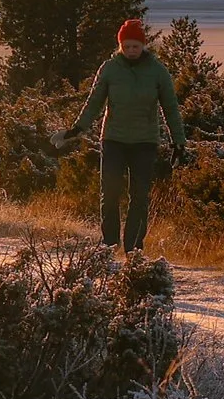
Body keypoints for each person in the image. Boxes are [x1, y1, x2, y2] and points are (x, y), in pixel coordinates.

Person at [53, 18, 187, 256]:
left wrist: (178, 142)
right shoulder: (110, 68)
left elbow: (171, 108)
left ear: (143, 45)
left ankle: (134, 250)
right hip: (113, 139)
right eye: (127, 46)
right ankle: (109, 246)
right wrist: (77, 129)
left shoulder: (158, 71)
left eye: (135, 46)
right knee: (110, 192)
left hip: (145, 142)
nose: (131, 51)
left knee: (139, 195)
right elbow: (94, 102)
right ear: (120, 46)